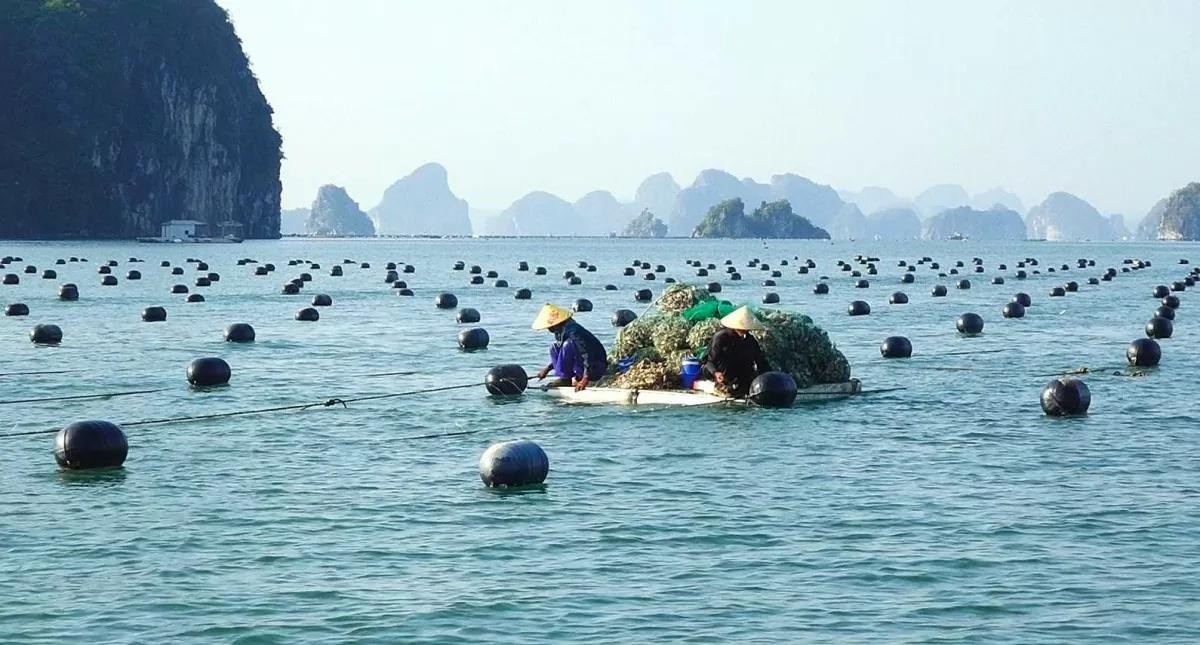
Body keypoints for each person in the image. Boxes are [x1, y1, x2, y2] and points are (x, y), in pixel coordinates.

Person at [531, 303, 608, 391]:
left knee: (568, 344)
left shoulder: (574, 331)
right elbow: (563, 355)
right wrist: (547, 368)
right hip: (580, 366)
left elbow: (587, 354)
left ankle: (565, 379)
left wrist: (585, 378)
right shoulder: (561, 332)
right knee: (554, 347)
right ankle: (564, 378)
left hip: (595, 367)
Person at [703, 305, 771, 398]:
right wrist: (716, 373)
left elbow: (760, 360)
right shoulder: (720, 338)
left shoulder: (749, 340)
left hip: (739, 373)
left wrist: (769, 376)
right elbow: (710, 362)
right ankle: (723, 386)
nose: (745, 330)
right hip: (718, 371)